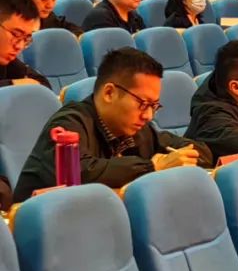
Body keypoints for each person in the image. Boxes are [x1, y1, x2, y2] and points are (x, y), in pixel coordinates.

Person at [13, 48, 212, 203]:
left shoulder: (139, 129)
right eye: (143, 104)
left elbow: (199, 151)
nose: (148, 115)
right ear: (109, 93)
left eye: (154, 106)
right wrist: (152, 167)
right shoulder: (69, 123)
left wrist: (185, 157)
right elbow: (80, 173)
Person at [0, 0, 48, 88]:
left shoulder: (6, 61)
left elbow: (41, 83)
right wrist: (11, 85)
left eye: (26, 39)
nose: (20, 46)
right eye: (16, 35)